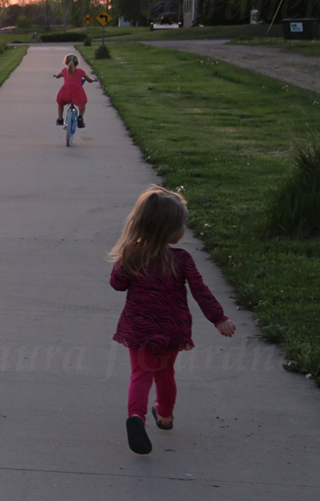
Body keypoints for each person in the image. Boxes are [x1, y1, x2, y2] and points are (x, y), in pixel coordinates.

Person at [108, 186, 236, 455]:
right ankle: (164, 417)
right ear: (168, 231)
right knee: (165, 374)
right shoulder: (182, 259)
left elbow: (117, 284)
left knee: (141, 374)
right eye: (181, 226)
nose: (183, 230)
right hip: (171, 330)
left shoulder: (133, 255)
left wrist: (124, 259)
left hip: (139, 328)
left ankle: (136, 418)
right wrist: (219, 318)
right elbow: (201, 292)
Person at [53, 54, 96, 127]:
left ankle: (60, 119)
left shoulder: (64, 71)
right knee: (82, 104)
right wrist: (93, 80)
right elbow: (89, 80)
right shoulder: (81, 71)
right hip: (77, 93)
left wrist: (55, 75)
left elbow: (57, 76)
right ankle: (80, 117)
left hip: (66, 93)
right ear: (77, 63)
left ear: (66, 63)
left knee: (60, 103)